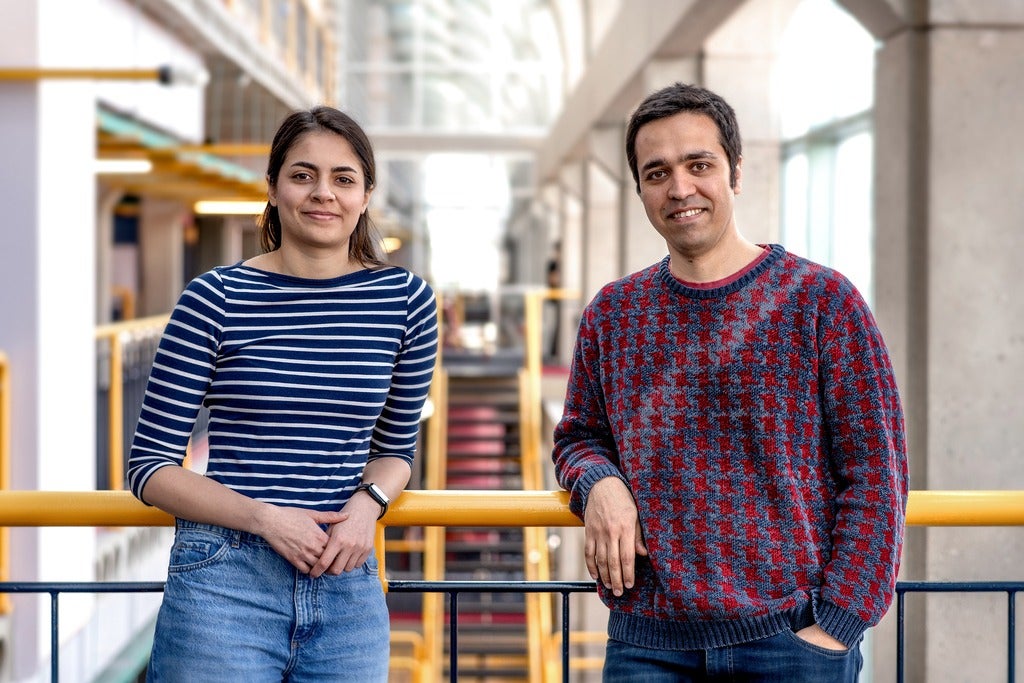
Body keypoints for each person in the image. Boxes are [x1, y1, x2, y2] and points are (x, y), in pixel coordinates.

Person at [551, 82, 908, 681]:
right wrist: (601, 482)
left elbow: (878, 473)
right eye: (657, 172)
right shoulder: (612, 313)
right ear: (640, 189)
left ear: (735, 173)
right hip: (647, 644)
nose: (680, 188)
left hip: (792, 642)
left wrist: (837, 624)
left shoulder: (822, 301)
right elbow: (577, 437)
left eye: (699, 165)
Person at [127, 105, 438, 681]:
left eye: (343, 179)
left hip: (346, 581)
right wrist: (266, 519)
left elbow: (397, 453)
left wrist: (367, 506)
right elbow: (148, 469)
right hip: (224, 582)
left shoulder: (407, 303)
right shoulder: (214, 299)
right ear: (272, 187)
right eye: (303, 175)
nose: (324, 193)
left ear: (366, 195)